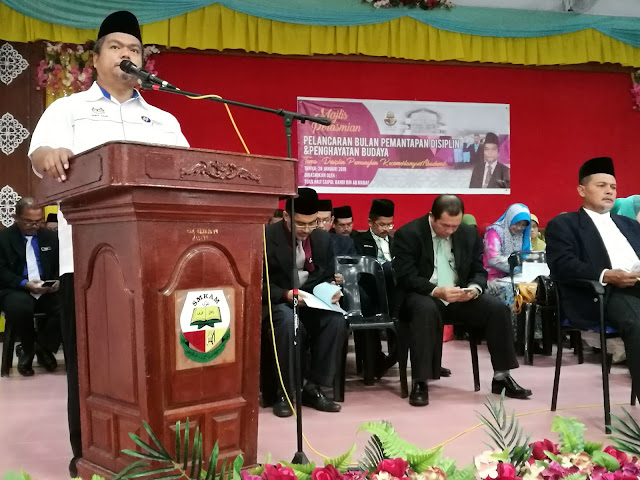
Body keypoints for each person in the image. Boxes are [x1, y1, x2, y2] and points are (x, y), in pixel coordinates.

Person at [27, 10, 189, 477]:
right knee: (94, 367)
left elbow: (187, 174)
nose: (126, 54)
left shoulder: (164, 119)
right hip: (89, 266)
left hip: (159, 267)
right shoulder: (68, 110)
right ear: (96, 59)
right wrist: (51, 154)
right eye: (116, 47)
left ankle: (157, 454)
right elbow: (40, 155)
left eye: (134, 49)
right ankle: (90, 456)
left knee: (153, 364)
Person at [393, 194, 530, 406]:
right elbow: (406, 276)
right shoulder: (409, 234)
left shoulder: (467, 233)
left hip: (458, 296)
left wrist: (474, 288)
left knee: (497, 309)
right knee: (425, 309)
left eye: (454, 226)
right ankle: (420, 381)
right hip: (423, 295)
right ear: (432, 216)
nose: (450, 231)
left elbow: (479, 270)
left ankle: (502, 377)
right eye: (445, 225)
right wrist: (436, 291)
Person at [546, 156, 640, 393]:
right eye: (601, 185)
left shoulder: (630, 225)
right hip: (601, 293)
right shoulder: (564, 224)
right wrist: (606, 275)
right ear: (582, 190)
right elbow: (562, 265)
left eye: (613, 187)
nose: (609, 191)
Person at [262, 188, 347, 417]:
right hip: (278, 302)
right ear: (286, 216)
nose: (307, 229)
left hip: (310, 301)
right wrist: (285, 295)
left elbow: (326, 275)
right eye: (301, 223)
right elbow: (257, 283)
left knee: (336, 320)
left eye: (313, 223)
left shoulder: (322, 238)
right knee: (288, 322)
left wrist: (331, 291)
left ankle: (313, 387)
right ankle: (285, 392)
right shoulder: (266, 237)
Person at [0, 198, 61, 377]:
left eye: (38, 221)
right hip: (16, 288)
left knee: (68, 305)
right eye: (28, 221)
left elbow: (60, 264)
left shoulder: (50, 237)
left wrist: (57, 281)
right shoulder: (3, 239)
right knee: (20, 308)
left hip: (46, 288)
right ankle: (29, 348)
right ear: (16, 217)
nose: (34, 226)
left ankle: (42, 347)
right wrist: (24, 283)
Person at [353, 199, 397, 384]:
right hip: (370, 291)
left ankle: (393, 358)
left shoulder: (397, 242)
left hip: (394, 291)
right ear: (370, 222)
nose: (386, 229)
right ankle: (374, 362)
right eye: (382, 224)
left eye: (389, 224)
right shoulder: (359, 241)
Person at [483, 204, 532, 307]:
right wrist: (518, 268)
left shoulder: (523, 235)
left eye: (523, 225)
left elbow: (528, 255)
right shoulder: (494, 232)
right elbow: (494, 259)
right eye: (517, 223)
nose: (519, 228)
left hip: (513, 278)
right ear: (510, 218)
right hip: (491, 279)